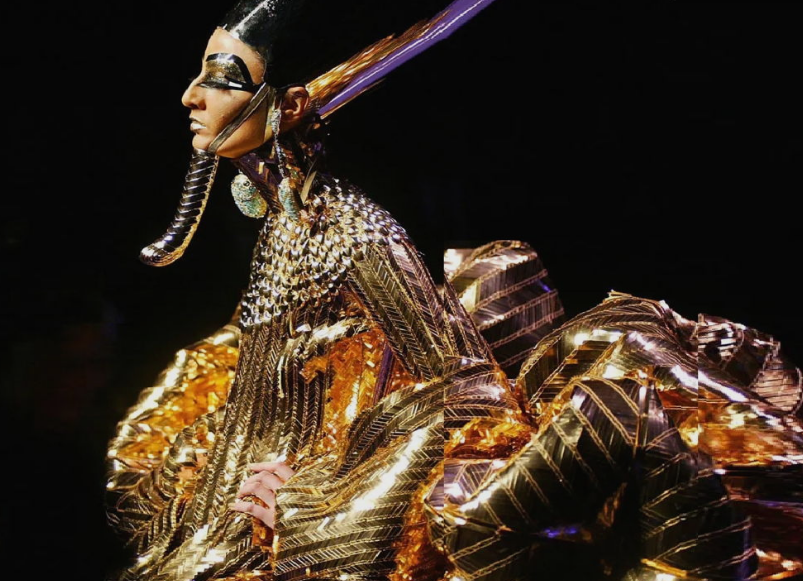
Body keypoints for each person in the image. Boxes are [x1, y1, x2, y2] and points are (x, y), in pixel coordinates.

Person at [105, 1, 803, 579]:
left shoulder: (355, 232)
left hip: (297, 529)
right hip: (237, 501)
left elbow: (467, 391)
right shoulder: (285, 226)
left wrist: (315, 503)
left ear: (289, 103)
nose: (190, 95)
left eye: (220, 79)